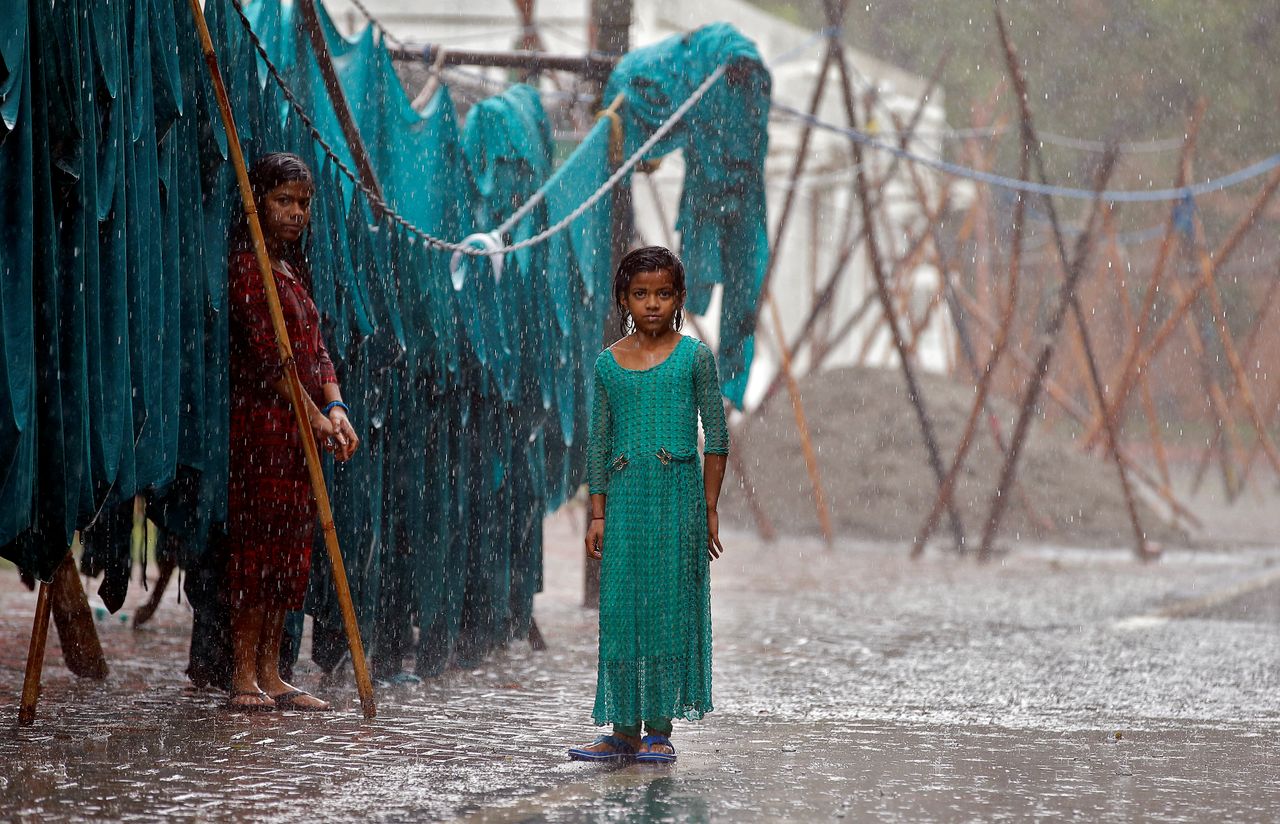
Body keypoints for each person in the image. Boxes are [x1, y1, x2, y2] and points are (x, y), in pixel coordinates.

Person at [568, 246, 729, 764]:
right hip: (625, 502)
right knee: (620, 610)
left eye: (663, 294)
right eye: (641, 295)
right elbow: (598, 442)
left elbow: (718, 436)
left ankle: (659, 730)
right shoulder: (607, 365)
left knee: (665, 609)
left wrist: (709, 508)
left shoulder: (695, 358)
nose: (652, 304)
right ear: (623, 299)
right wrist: (597, 513)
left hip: (677, 501)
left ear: (679, 298)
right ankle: (622, 730)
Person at [225, 152, 360, 712]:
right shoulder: (247, 268)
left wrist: (336, 408)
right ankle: (241, 673)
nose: (296, 213)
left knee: (289, 550)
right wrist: (312, 414)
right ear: (258, 202)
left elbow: (317, 350)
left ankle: (273, 671)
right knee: (257, 549)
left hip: (301, 433)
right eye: (283, 201)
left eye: (303, 203)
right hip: (263, 430)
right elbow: (270, 363)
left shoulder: (292, 270)